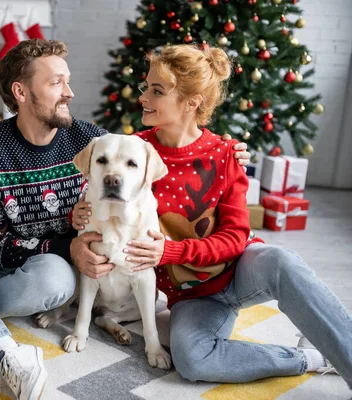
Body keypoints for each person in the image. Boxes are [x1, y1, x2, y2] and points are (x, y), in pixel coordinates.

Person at [0, 39, 250, 399]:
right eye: (57, 82)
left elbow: (146, 154)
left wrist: (225, 150)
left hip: (43, 274)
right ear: (21, 92)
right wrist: (70, 244)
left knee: (56, 276)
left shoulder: (89, 139)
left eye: (68, 81)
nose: (70, 92)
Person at [73, 43, 352, 389]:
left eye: (156, 90)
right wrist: (81, 229)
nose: (144, 96)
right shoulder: (134, 154)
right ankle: (308, 358)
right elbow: (100, 202)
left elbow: (236, 238)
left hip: (243, 268)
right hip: (191, 294)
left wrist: (171, 252)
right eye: (146, 86)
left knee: (281, 262)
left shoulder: (224, 154)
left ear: (191, 103)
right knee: (191, 360)